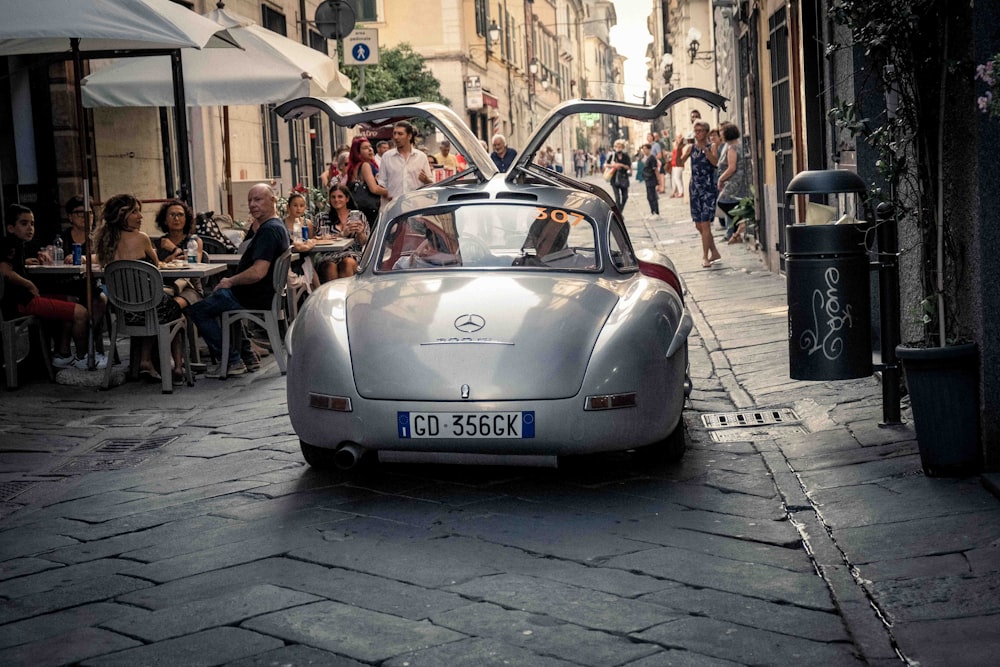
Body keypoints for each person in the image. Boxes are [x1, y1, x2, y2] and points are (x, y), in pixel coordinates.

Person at [187, 183, 290, 379]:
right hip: (259, 294)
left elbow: (258, 272)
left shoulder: (269, 231)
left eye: (258, 199)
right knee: (218, 298)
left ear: (273, 201)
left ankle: (233, 360)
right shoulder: (275, 226)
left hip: (252, 296)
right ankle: (247, 356)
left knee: (197, 310)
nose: (252, 204)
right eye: (250, 200)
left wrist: (230, 281)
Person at [93, 195, 185, 380]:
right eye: (134, 211)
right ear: (121, 215)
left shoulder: (104, 241)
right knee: (177, 312)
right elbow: (156, 265)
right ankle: (176, 366)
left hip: (123, 311)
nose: (140, 216)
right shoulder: (141, 238)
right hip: (149, 308)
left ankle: (148, 361)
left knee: (156, 306)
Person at [1, 203, 96, 370]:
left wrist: (24, 262)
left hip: (23, 300)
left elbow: (11, 265)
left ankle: (63, 354)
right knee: (81, 313)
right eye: (24, 224)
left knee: (73, 299)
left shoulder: (18, 246)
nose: (30, 228)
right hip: (22, 302)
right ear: (10, 227)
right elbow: (5, 271)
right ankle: (82, 359)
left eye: (32, 223)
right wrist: (29, 285)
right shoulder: (10, 245)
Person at [676, 119, 722, 268]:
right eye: (696, 131)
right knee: (698, 225)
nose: (698, 134)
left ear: (706, 132)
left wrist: (707, 151)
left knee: (705, 223)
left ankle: (705, 257)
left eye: (701, 131)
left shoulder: (712, 146)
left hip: (708, 187)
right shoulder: (691, 148)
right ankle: (714, 251)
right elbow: (680, 163)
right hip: (695, 187)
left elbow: (715, 163)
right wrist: (679, 148)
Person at [152, 199, 204, 310]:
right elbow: (155, 267)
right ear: (165, 220)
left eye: (180, 215)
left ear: (186, 219)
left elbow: (194, 264)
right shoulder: (158, 243)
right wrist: (169, 259)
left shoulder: (194, 241)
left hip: (189, 288)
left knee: (171, 307)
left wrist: (174, 249)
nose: (176, 219)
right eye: (172, 215)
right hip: (164, 287)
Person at [313, 184, 369, 283]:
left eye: (340, 196)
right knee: (330, 266)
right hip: (328, 254)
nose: (336, 200)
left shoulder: (358, 216)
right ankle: (334, 297)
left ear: (347, 199)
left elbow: (365, 242)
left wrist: (360, 233)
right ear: (329, 199)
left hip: (352, 253)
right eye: (333, 197)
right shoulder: (322, 217)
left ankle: (348, 295)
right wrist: (342, 234)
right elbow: (318, 240)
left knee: (348, 262)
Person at [377, 120, 432, 203]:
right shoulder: (387, 157)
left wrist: (426, 180)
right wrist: (387, 193)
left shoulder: (421, 157)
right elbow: (381, 183)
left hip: (415, 207)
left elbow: (431, 184)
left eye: (400, 134)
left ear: (409, 136)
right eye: (394, 133)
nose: (396, 137)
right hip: (393, 207)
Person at [717, 123, 751, 244]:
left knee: (723, 201)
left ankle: (741, 223)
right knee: (736, 202)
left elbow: (732, 168)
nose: (720, 134)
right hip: (743, 180)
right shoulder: (740, 145)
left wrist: (721, 179)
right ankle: (738, 231)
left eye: (721, 132)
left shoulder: (732, 148)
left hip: (735, 181)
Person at [344, 136, 388, 226]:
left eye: (370, 147)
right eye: (365, 148)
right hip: (369, 210)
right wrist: (392, 192)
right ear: (358, 152)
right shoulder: (365, 165)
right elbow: (374, 189)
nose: (370, 149)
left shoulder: (354, 167)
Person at [607, 139, 632, 211]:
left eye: (620, 146)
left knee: (625, 197)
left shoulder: (625, 156)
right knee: (617, 198)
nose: (618, 148)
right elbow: (606, 165)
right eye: (617, 146)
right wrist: (614, 166)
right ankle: (619, 215)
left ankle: (619, 211)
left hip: (624, 178)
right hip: (614, 179)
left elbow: (628, 166)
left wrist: (621, 165)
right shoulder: (612, 156)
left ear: (623, 147)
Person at [640, 143, 665, 216]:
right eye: (643, 149)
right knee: (649, 196)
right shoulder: (646, 158)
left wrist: (659, 180)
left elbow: (655, 169)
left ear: (649, 149)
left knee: (653, 196)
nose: (644, 150)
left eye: (645, 149)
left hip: (652, 178)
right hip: (647, 179)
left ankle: (656, 211)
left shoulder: (652, 158)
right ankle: (652, 211)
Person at [670, 133, 686, 198]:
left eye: (679, 137)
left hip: (679, 164)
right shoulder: (676, 145)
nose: (678, 139)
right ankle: (674, 192)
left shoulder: (682, 145)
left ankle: (681, 192)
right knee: (674, 179)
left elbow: (680, 154)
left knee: (677, 178)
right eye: (677, 137)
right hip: (674, 164)